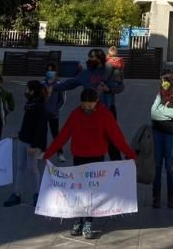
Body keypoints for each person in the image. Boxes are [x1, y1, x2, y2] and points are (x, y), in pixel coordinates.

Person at [43, 89, 137, 240]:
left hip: (96, 158)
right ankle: (77, 219)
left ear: (96, 101)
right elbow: (63, 135)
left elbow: (117, 137)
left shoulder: (105, 114)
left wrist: (131, 155)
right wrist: (48, 153)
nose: (87, 108)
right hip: (79, 158)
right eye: (84, 106)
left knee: (92, 192)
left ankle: (88, 221)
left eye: (90, 105)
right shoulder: (75, 114)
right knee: (78, 190)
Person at [58, 48, 125, 158]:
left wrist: (109, 89)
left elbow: (121, 86)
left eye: (92, 57)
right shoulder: (85, 73)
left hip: (108, 110)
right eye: (89, 57)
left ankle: (116, 166)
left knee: (112, 140)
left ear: (99, 59)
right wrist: (54, 87)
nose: (89, 59)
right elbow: (70, 83)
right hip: (90, 111)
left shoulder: (109, 70)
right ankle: (93, 164)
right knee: (93, 140)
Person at [3, 80, 48, 208]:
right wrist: (20, 133)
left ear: (33, 91)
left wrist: (34, 145)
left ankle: (37, 194)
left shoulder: (39, 106)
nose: (26, 92)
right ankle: (16, 194)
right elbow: (27, 123)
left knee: (33, 168)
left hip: (31, 143)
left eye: (28, 89)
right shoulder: (30, 104)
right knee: (20, 167)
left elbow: (40, 128)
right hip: (23, 139)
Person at [150, 69, 173, 209]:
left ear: (172, 81)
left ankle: (171, 196)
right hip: (157, 133)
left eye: (165, 80)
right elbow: (153, 113)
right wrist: (169, 114)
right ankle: (156, 196)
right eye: (162, 80)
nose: (163, 83)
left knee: (170, 168)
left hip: (172, 136)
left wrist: (162, 111)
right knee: (157, 166)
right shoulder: (160, 92)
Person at [42, 63, 66, 161]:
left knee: (55, 134)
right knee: (42, 133)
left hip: (54, 114)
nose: (50, 72)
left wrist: (57, 109)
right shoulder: (42, 84)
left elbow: (62, 100)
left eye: (52, 70)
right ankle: (43, 152)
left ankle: (60, 153)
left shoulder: (59, 84)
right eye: (48, 70)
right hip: (43, 114)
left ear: (55, 72)